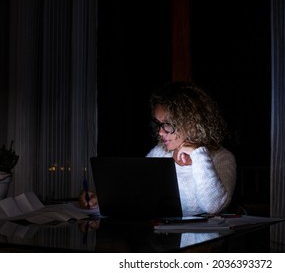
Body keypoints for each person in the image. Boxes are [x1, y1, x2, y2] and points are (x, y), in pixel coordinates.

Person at [79, 81, 236, 216]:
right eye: (159, 124)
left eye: (167, 124)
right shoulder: (160, 152)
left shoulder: (222, 158)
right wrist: (100, 199)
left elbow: (213, 207)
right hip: (162, 241)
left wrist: (199, 154)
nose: (160, 132)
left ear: (191, 123)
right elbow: (134, 189)